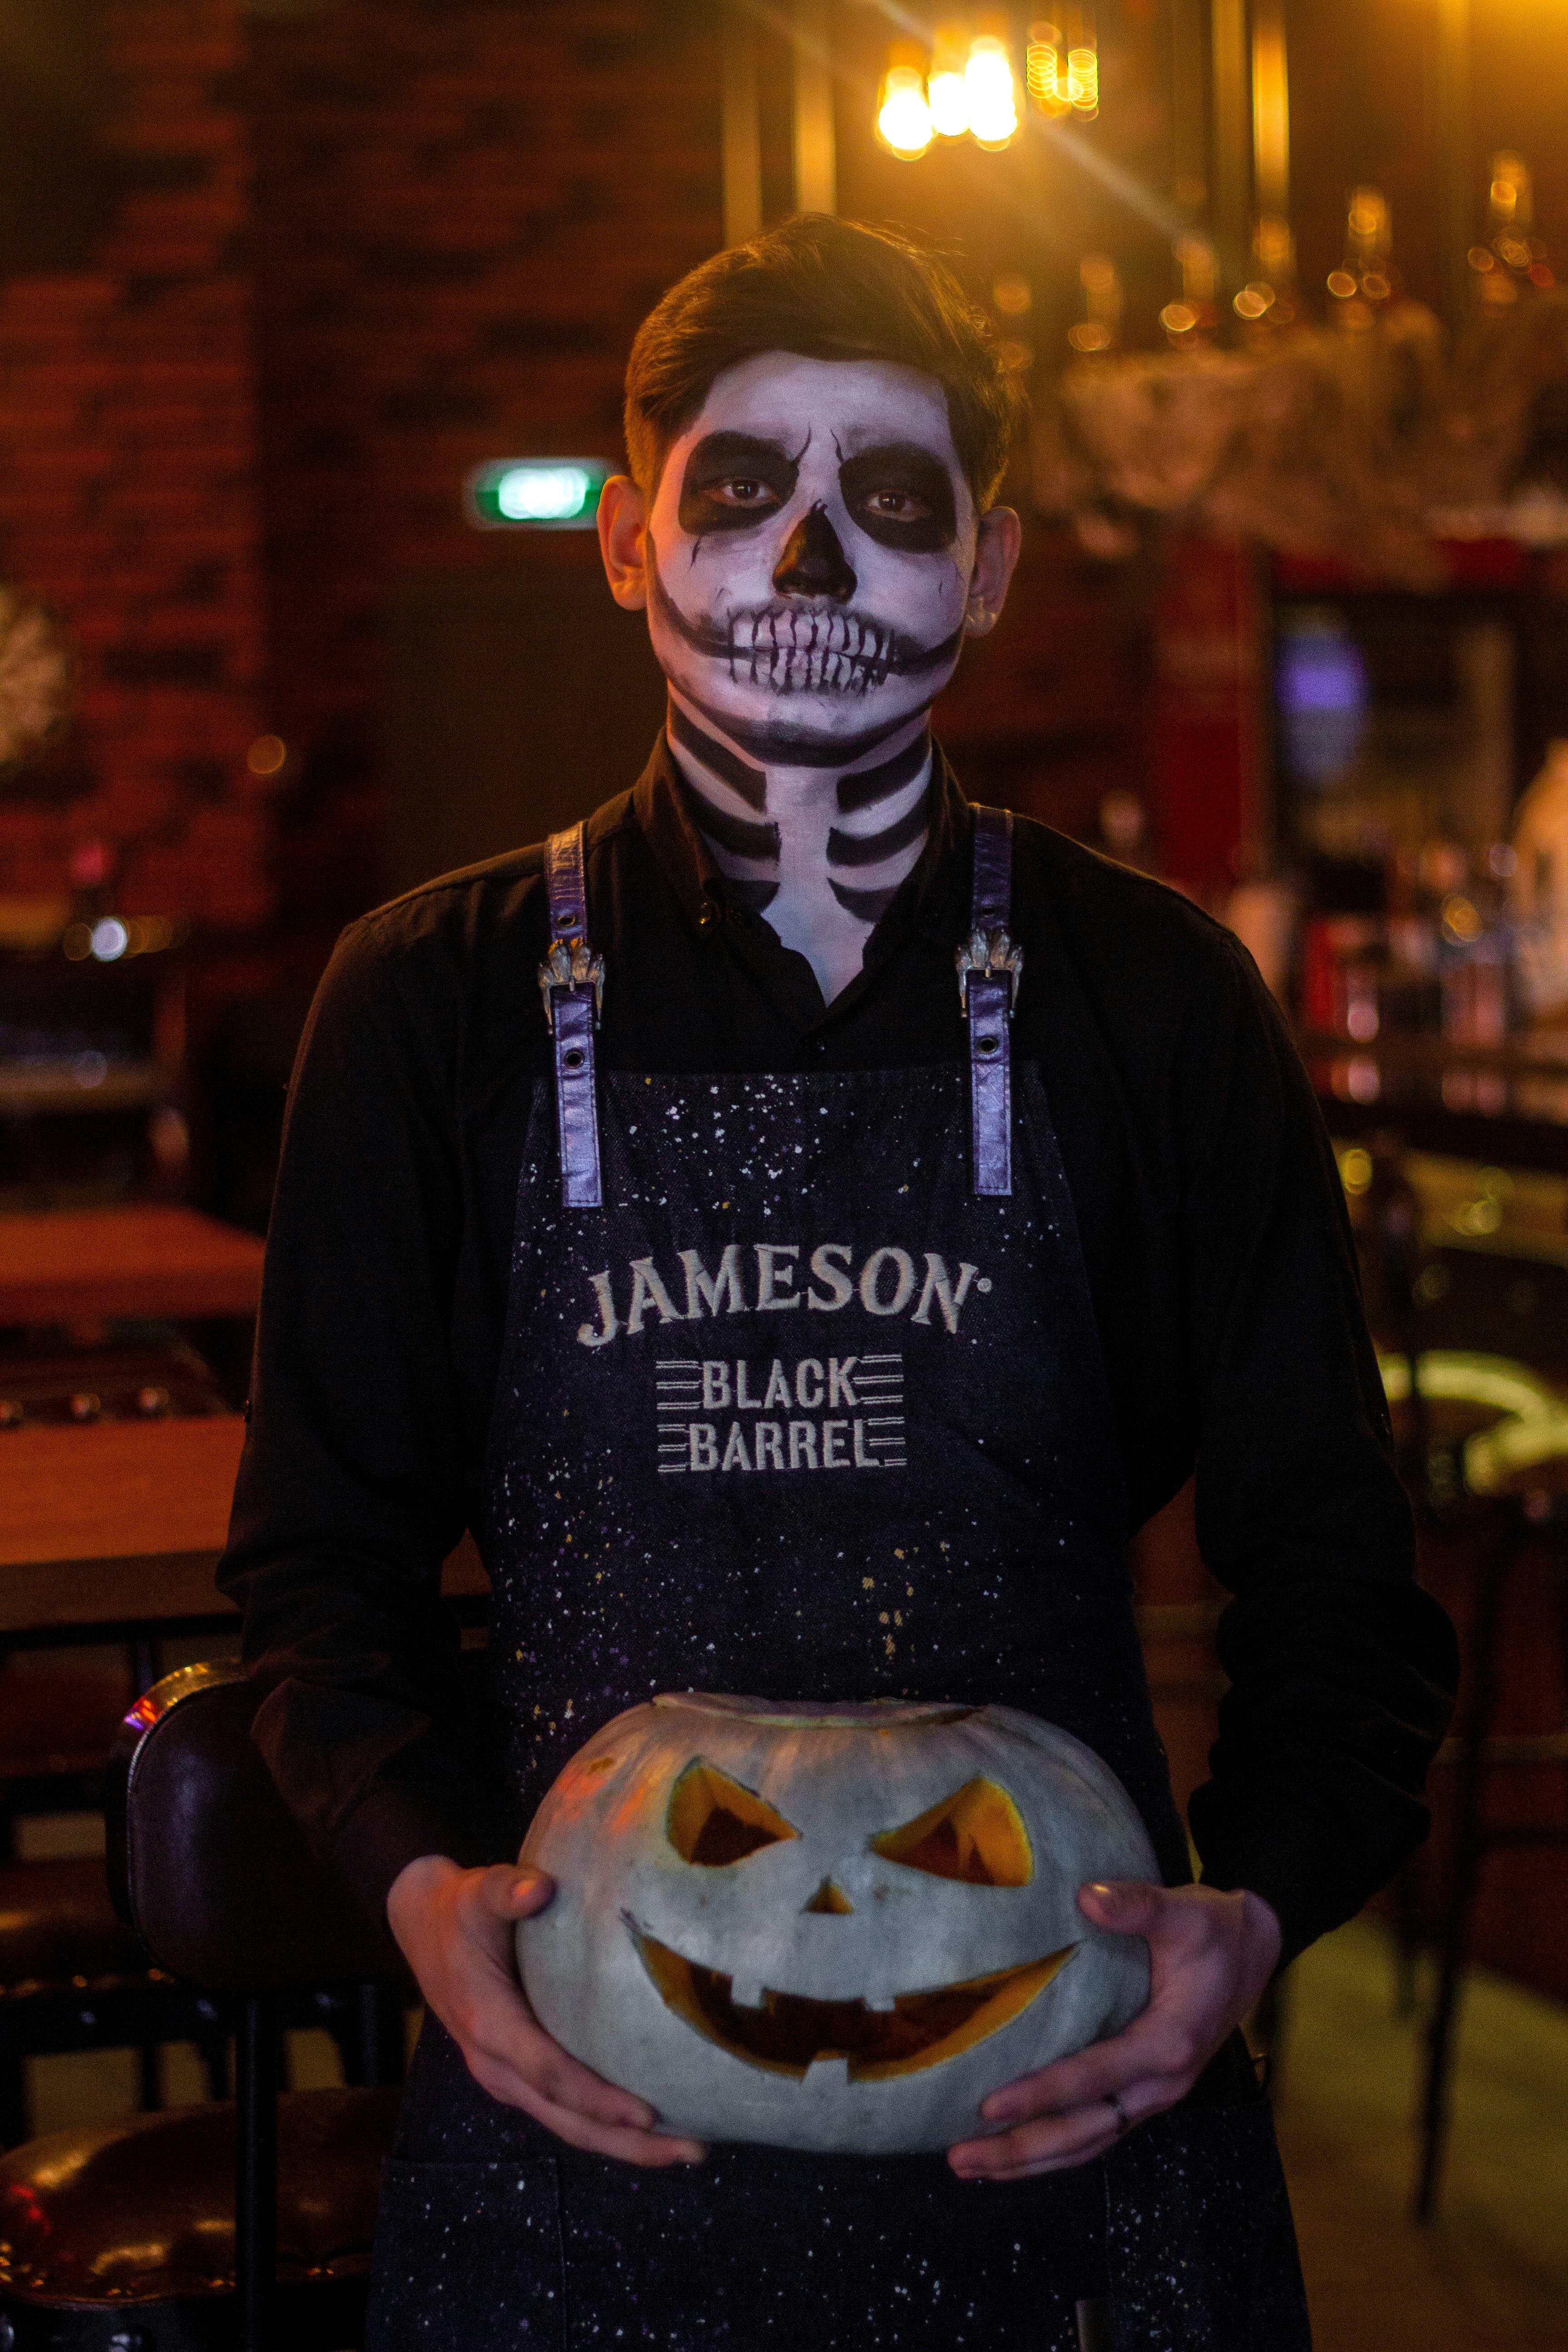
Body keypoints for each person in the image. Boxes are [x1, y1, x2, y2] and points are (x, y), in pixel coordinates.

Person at [220, 215, 1458, 2349]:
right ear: (626, 544)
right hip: (579, 2107)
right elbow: (317, 1573)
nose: (809, 568)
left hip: (1069, 2118)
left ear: (985, 570)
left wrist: (1249, 1915)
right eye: (739, 493)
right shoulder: (431, 1005)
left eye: (889, 505)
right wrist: (421, 1889)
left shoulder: (1156, 1002)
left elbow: (1342, 1574)